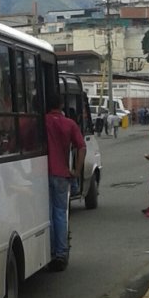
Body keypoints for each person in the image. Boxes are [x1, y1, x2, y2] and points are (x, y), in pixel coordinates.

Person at [45, 93, 86, 271]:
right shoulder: (69, 124)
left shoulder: (42, 122)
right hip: (62, 174)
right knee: (60, 214)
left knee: (47, 214)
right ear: (61, 105)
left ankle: (50, 251)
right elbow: (81, 147)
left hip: (41, 175)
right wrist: (76, 171)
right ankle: (61, 254)